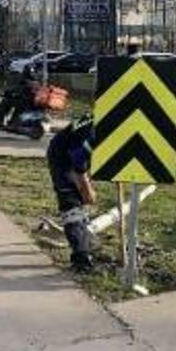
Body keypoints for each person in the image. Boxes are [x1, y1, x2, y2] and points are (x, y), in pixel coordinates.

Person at [47, 115, 98, 273]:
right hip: (61, 156)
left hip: (76, 152)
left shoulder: (108, 117)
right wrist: (86, 187)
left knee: (82, 202)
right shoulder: (99, 130)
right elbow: (78, 159)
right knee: (72, 209)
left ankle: (83, 237)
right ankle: (81, 259)